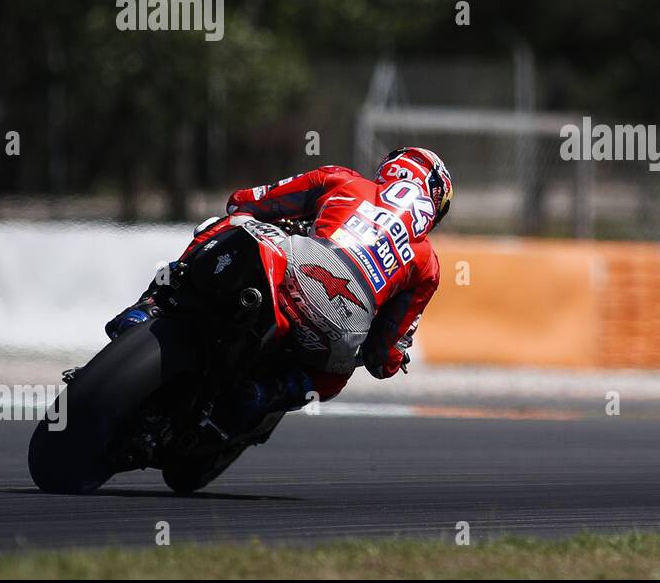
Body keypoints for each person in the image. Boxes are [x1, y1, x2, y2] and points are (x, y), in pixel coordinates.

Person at [103, 147, 452, 428]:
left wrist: (280, 219)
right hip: (340, 330)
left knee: (230, 224)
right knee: (332, 378)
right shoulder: (427, 263)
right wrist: (392, 357)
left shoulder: (344, 181)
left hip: (296, 269)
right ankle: (268, 392)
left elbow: (244, 202)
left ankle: (151, 305)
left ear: (391, 170)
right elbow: (382, 359)